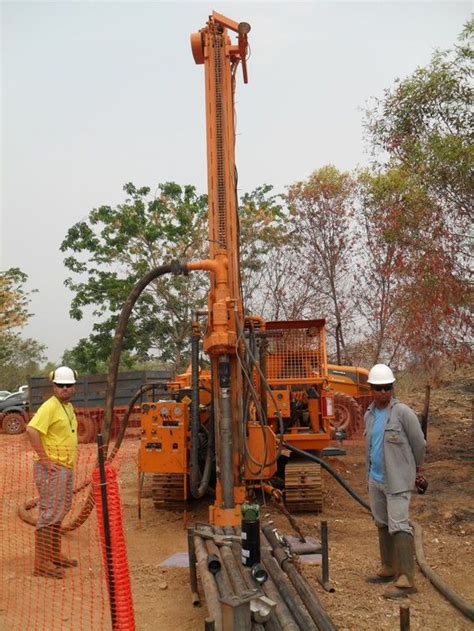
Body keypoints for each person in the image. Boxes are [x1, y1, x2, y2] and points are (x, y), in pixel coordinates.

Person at [364, 363, 426, 599]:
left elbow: (419, 443)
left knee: (399, 524)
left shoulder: (403, 413)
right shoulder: (369, 414)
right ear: (371, 389)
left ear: (392, 388)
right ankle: (389, 567)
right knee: (381, 522)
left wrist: (418, 470)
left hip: (398, 480)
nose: (383, 393)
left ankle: (407, 578)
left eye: (387, 388)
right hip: (376, 479)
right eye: (378, 388)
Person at [26, 366, 79, 579]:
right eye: (60, 385)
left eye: (68, 385)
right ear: (54, 386)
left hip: (65, 466)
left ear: (74, 387)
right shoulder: (50, 407)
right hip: (52, 469)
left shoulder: (67, 406)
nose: (65, 389)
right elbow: (32, 430)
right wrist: (45, 459)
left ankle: (54, 554)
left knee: (61, 509)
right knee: (49, 513)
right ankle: (42, 563)